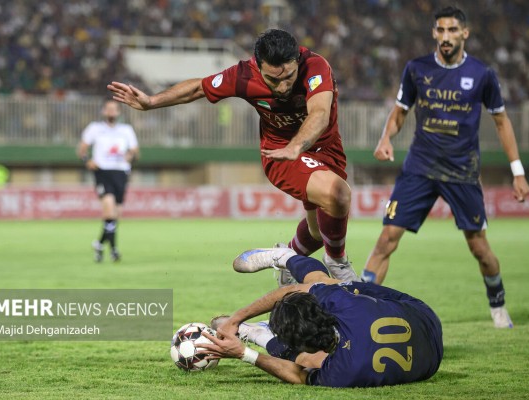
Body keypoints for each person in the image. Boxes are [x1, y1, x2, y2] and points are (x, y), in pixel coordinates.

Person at [107, 29, 357, 281]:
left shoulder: (316, 67)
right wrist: (151, 101)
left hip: (323, 150)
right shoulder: (243, 75)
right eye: (273, 80)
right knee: (338, 194)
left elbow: (320, 114)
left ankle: (287, 260)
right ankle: (338, 264)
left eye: (289, 77)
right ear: (258, 67)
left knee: (317, 231)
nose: (283, 87)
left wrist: (298, 144)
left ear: (297, 62)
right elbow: (198, 88)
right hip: (281, 153)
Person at [361, 6, 529, 328]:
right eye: (440, 30)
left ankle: (498, 305)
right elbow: (400, 111)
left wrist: (518, 170)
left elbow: (501, 121)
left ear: (465, 33)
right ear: (433, 33)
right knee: (387, 237)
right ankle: (360, 304)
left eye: (452, 30)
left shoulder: (483, 74)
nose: (445, 37)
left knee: (479, 248)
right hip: (419, 167)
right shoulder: (416, 69)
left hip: (461, 171)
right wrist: (386, 138)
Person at [198, 247, 443, 388]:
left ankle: (257, 331)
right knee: (321, 285)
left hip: (424, 335)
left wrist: (244, 353)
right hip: (422, 317)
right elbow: (292, 291)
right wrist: (234, 320)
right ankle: (285, 257)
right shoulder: (345, 307)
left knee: (309, 360)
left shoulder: (341, 372)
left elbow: (298, 373)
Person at [77, 100, 139, 262]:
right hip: (102, 171)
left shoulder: (126, 130)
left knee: (115, 215)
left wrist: (130, 155)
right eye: (108, 109)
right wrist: (87, 160)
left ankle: (99, 244)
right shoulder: (95, 128)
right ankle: (114, 251)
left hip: (121, 172)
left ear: (118, 112)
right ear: (104, 111)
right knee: (109, 210)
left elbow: (135, 150)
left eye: (114, 109)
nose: (111, 112)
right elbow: (82, 149)